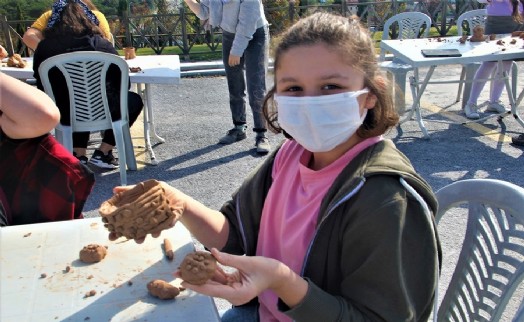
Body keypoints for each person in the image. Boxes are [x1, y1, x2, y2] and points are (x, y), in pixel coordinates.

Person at [109, 12, 441, 321]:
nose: (309, 104)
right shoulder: (290, 156)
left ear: (370, 94)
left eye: (331, 87)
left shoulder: (385, 199)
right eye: (293, 88)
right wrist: (174, 200)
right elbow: (235, 236)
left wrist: (283, 282)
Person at [32, 0, 143, 169]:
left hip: (63, 113)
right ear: (88, 18)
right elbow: (123, 85)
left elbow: (41, 86)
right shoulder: (102, 45)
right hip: (102, 111)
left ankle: (78, 153)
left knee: (73, 98)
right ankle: (104, 151)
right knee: (132, 100)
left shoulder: (44, 48)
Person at [0, 72, 95, 226]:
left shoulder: (44, 49)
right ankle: (100, 151)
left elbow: (42, 115)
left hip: (64, 109)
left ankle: (87, 152)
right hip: (91, 109)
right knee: (131, 101)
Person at [183, 0, 271, 154]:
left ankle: (261, 134)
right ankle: (239, 128)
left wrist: (236, 50)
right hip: (230, 34)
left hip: (255, 33)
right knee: (234, 84)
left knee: (256, 86)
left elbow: (248, 22)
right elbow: (204, 11)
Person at [464, 0, 524, 119]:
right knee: (488, 64)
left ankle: (494, 101)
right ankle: (471, 103)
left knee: (507, 63)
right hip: (495, 25)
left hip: (516, 22)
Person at [22, 0, 112, 51]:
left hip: (56, 74)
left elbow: (29, 37)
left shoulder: (51, 15)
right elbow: (106, 41)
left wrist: (50, 53)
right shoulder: (96, 15)